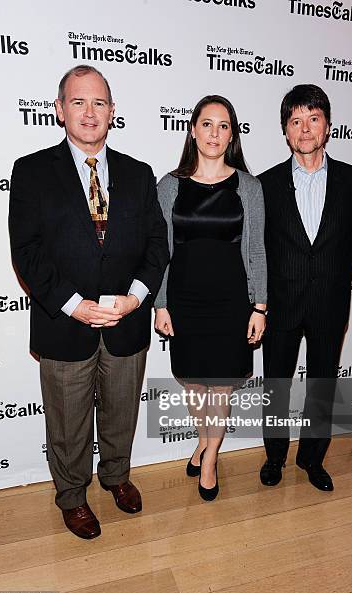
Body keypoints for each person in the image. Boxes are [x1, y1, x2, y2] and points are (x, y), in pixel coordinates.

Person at [8, 65, 169, 539]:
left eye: (99, 102)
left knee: (121, 412)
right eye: (78, 102)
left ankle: (117, 476)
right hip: (65, 324)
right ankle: (72, 496)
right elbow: (28, 253)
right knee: (67, 424)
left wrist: (136, 299)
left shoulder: (140, 175)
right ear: (59, 110)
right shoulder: (32, 171)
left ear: (113, 112)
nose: (89, 112)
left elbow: (157, 247)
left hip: (127, 325)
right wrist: (74, 304)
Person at [258, 84, 352, 491]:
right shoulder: (264, 185)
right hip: (281, 304)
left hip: (329, 300)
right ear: (285, 131)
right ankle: (274, 457)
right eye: (296, 121)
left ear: (327, 126)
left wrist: (334, 277)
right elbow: (260, 247)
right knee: (276, 383)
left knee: (323, 383)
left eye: (313, 119)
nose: (305, 129)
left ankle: (312, 458)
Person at [154, 95, 267, 501]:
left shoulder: (248, 187)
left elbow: (256, 251)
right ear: (192, 130)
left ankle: (210, 458)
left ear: (232, 134)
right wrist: (160, 303)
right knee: (194, 386)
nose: (214, 133)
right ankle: (204, 440)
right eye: (207, 124)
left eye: (223, 125)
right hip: (184, 302)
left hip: (231, 303)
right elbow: (160, 250)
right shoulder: (169, 186)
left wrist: (259, 306)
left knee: (220, 387)